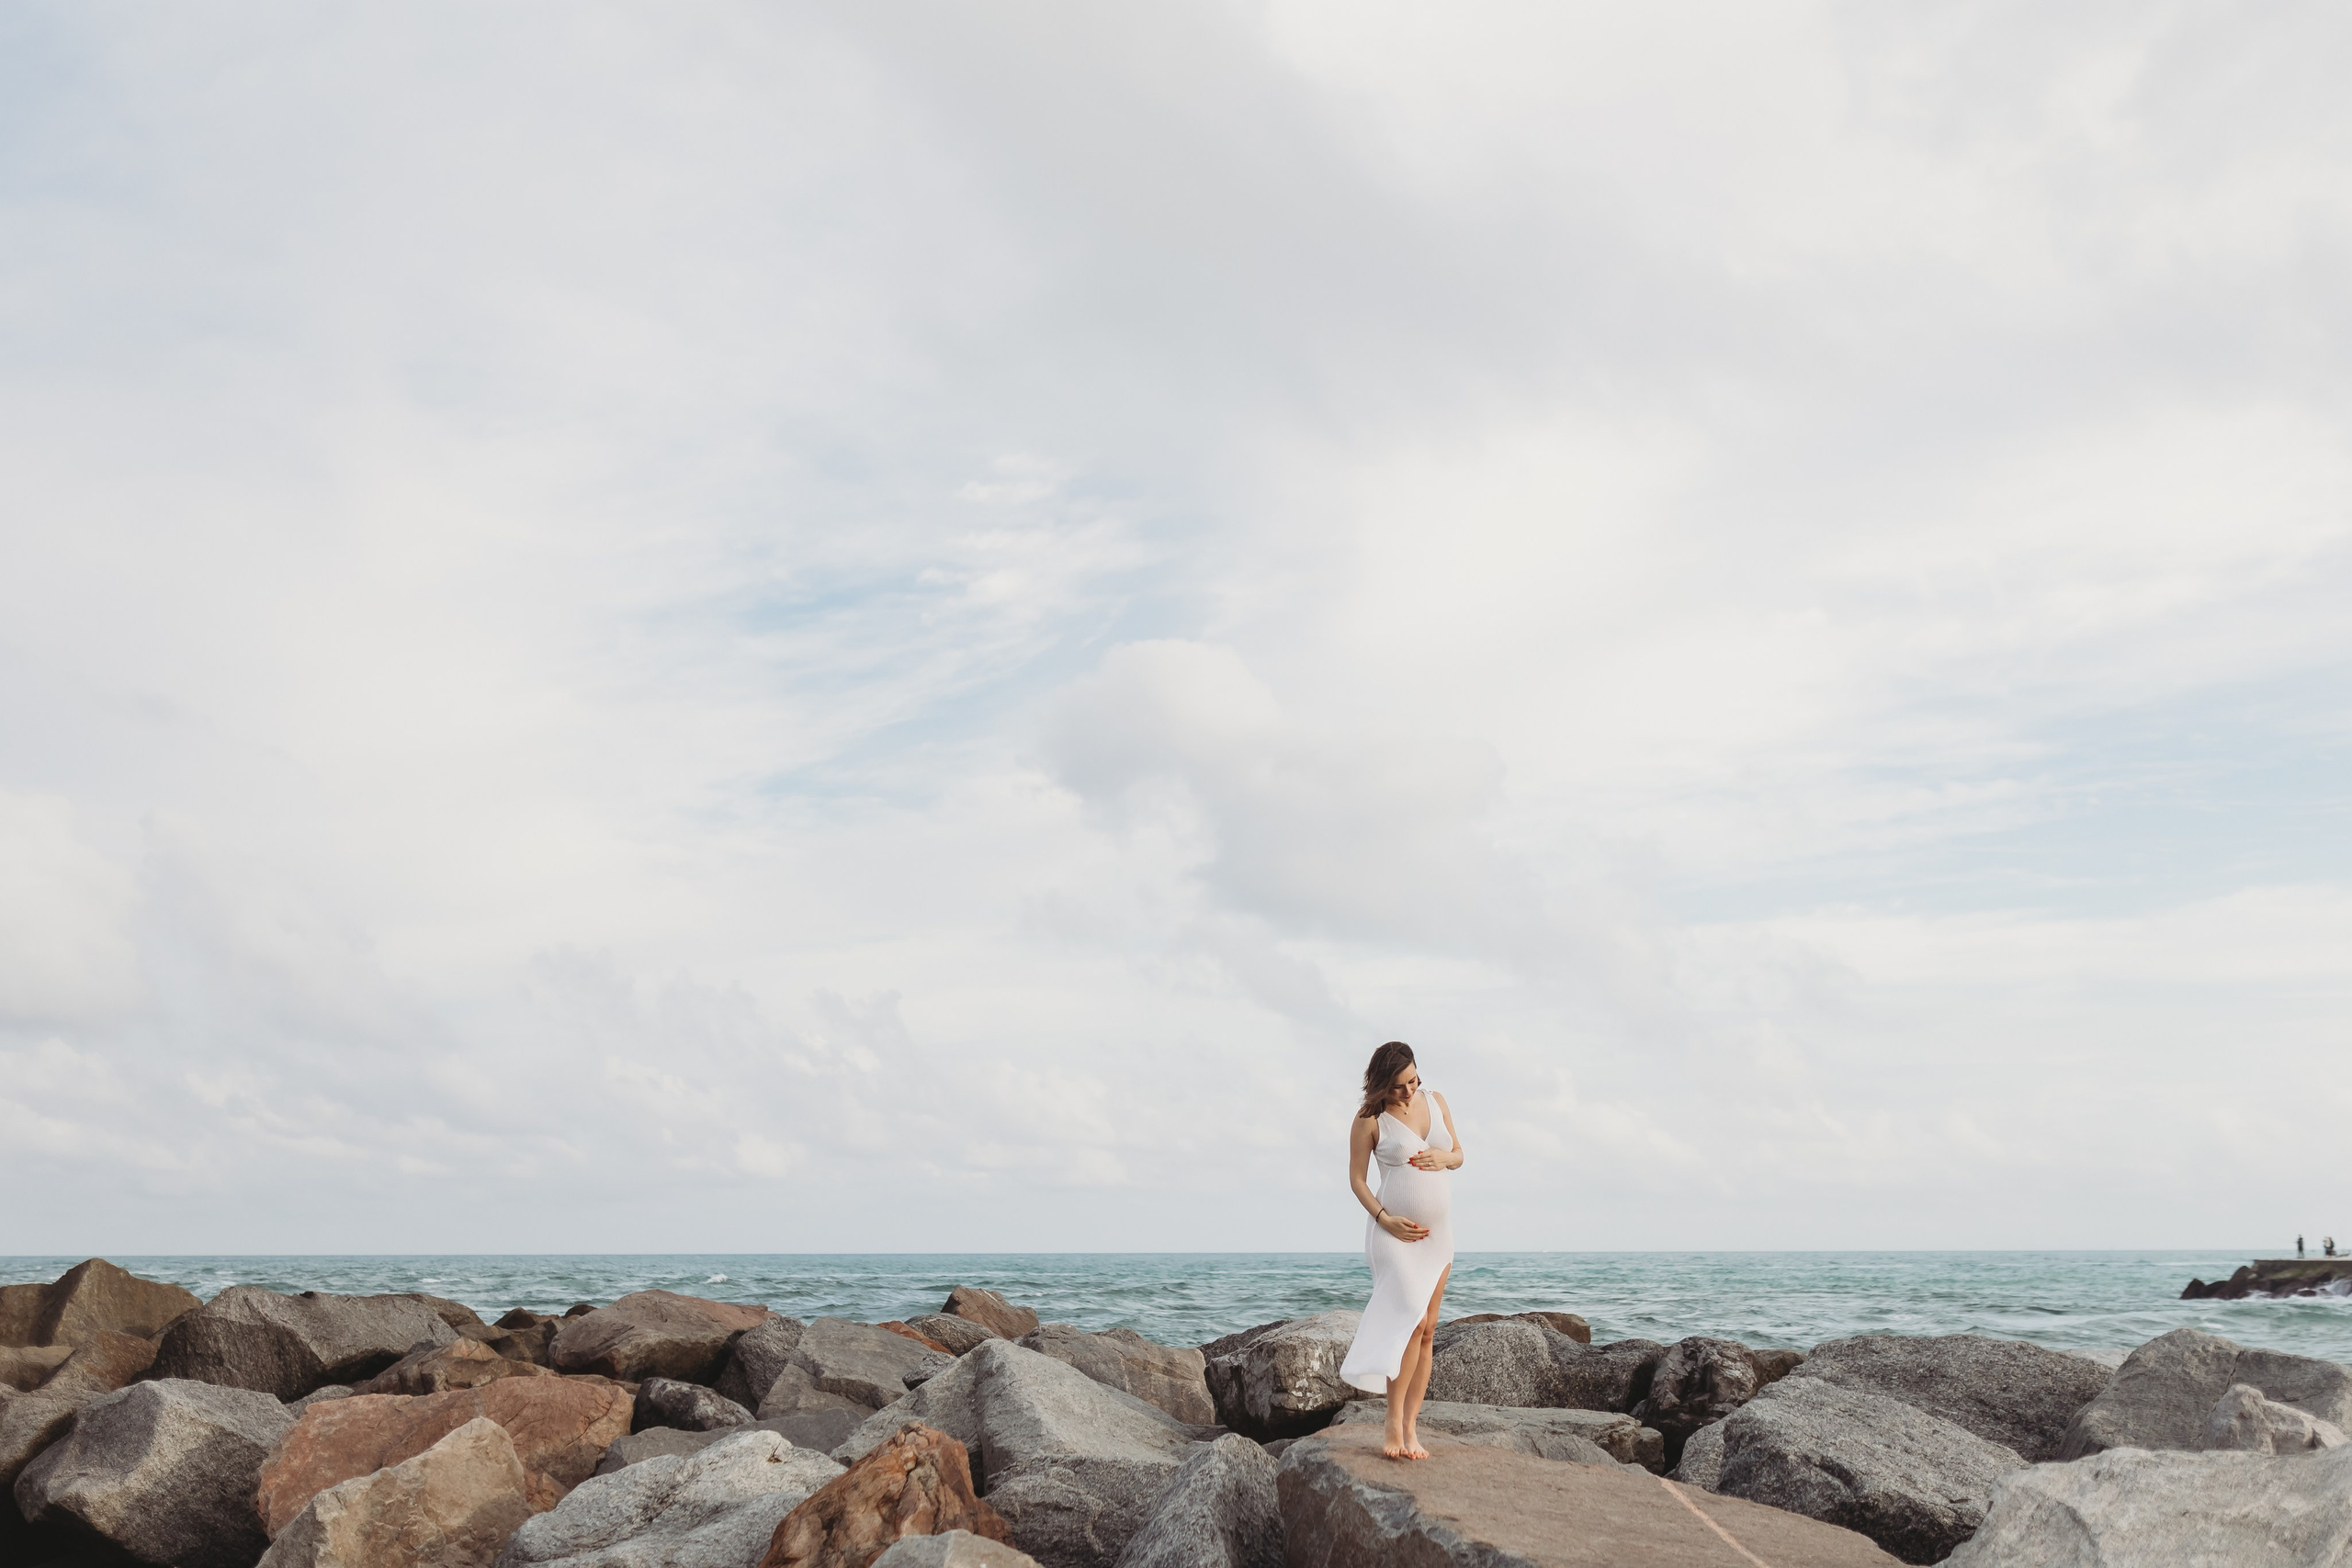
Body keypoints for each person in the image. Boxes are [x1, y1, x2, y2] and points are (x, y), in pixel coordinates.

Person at [1338, 1040, 1463, 1461]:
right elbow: (1357, 1179)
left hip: (1438, 1236)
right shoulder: (1369, 1119)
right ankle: (1392, 1422)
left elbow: (1460, 1156)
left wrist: (1445, 1158)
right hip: (1393, 1236)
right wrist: (1383, 1218)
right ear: (1380, 1087)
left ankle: (1412, 1427)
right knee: (1409, 1322)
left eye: (1413, 1081)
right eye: (1397, 1087)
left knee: (1428, 1328)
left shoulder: (1437, 1100)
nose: (1408, 1092)